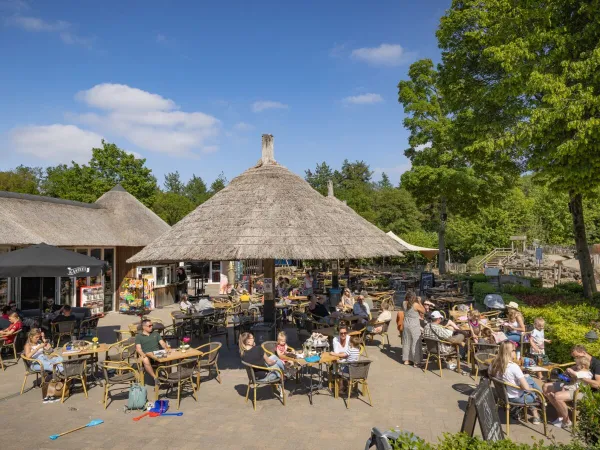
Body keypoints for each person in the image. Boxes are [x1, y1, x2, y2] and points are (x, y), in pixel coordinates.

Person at [543, 345, 600, 428]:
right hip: (573, 384)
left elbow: (597, 385)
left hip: (586, 391)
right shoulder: (580, 361)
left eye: (577, 356)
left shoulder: (596, 364)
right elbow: (570, 379)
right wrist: (567, 375)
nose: (575, 359)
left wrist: (578, 376)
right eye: (574, 357)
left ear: (584, 353)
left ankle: (566, 421)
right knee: (546, 387)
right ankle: (561, 417)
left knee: (558, 396)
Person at [489, 341, 542, 425]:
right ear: (509, 352)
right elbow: (526, 388)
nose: (516, 352)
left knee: (528, 378)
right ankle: (540, 404)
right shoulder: (513, 367)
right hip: (515, 398)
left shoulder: (493, 363)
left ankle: (539, 404)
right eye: (514, 350)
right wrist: (522, 384)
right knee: (531, 388)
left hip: (503, 395)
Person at [239, 332, 284, 398]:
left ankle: (284, 370)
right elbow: (269, 363)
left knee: (273, 356)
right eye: (252, 338)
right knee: (277, 366)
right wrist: (275, 362)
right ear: (248, 341)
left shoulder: (242, 354)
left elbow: (256, 360)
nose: (254, 339)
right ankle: (284, 375)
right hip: (266, 377)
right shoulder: (258, 349)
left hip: (253, 377)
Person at [402, 291, 424, 366]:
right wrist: (420, 302)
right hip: (414, 324)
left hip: (406, 324)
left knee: (406, 341)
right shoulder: (416, 305)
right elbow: (423, 311)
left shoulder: (404, 303)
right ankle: (416, 362)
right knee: (415, 342)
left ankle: (406, 360)